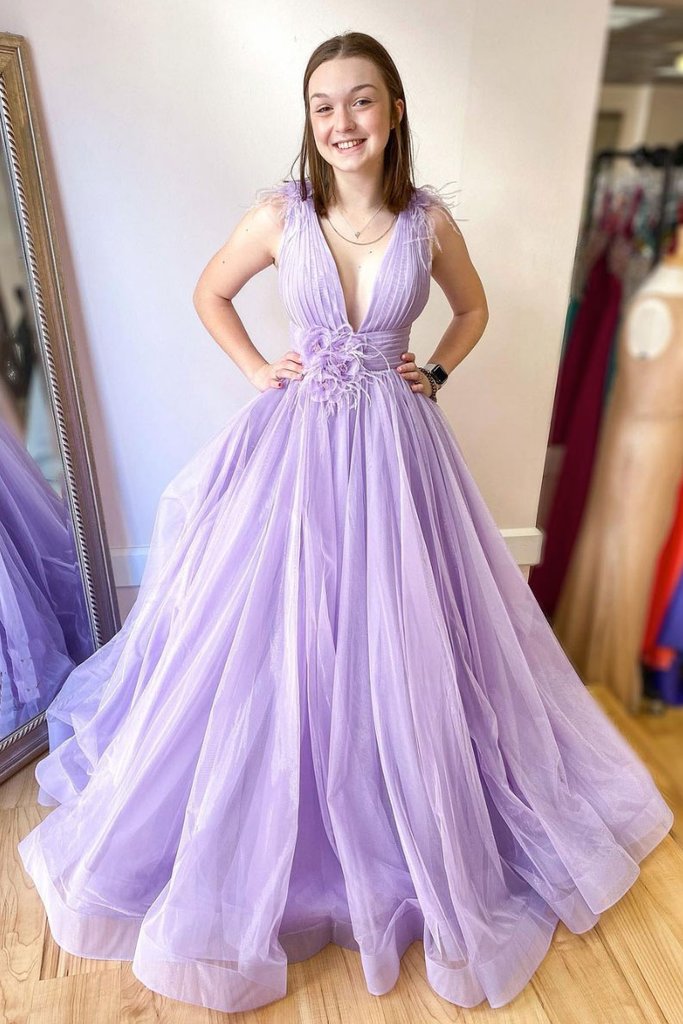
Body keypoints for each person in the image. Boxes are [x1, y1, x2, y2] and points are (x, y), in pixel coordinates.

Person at [17, 30, 673, 1015]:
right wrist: (255, 368)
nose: (340, 122)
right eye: (322, 105)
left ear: (393, 110)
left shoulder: (427, 222)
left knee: (405, 632)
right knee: (277, 632)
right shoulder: (279, 214)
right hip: (298, 450)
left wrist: (436, 369)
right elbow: (210, 291)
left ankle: (404, 810)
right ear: (308, 119)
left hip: (401, 454)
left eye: (359, 101)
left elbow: (471, 312)